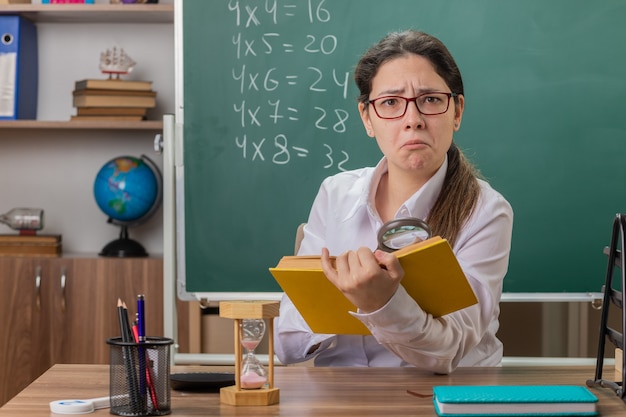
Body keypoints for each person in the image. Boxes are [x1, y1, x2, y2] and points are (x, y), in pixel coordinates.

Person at [274, 30, 513, 374]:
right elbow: (288, 342)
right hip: (339, 395)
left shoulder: (486, 210)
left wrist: (381, 303)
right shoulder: (335, 194)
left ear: (456, 111)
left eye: (430, 99)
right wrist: (352, 296)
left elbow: (450, 351)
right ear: (367, 118)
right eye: (390, 103)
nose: (412, 119)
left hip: (444, 397)